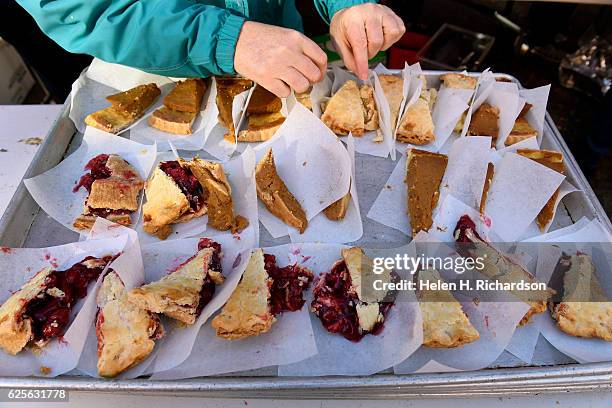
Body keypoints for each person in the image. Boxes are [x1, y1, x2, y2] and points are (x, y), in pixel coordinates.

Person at [14, 0, 405, 97]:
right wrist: (227, 40)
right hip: (152, 73)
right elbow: (81, 9)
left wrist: (347, 5)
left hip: (278, 55)